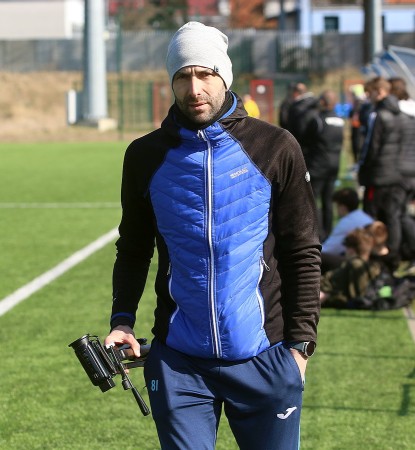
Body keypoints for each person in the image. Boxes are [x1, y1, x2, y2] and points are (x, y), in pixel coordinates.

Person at [104, 21, 321, 450]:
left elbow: (302, 250)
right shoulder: (145, 155)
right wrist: (122, 320)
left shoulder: (275, 146)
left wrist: (300, 347)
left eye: (205, 73)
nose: (194, 88)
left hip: (265, 357)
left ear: (224, 75)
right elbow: (133, 249)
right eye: (183, 76)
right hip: (179, 363)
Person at [358, 76, 405, 271]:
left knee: (371, 216)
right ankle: (393, 255)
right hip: (395, 172)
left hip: (377, 175)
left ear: (380, 92)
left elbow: (371, 146)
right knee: (392, 216)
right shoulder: (399, 113)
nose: (368, 97)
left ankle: (371, 256)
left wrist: (362, 169)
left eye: (370, 93)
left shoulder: (377, 115)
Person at [304, 89, 345, 241]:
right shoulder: (340, 120)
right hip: (334, 164)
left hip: (318, 165)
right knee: (328, 200)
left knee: (313, 199)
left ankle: (317, 232)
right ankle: (328, 232)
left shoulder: (318, 120)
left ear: (322, 102)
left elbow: (307, 141)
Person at [320, 227, 382, 308]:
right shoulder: (371, 265)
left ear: (351, 250)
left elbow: (356, 296)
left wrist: (330, 297)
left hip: (322, 290)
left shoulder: (355, 265)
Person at [389, 77, 415, 264]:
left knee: (396, 214)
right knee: (403, 212)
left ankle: (396, 255)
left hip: (400, 170)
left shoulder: (397, 114)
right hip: (413, 168)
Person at [321, 187, 374, 273]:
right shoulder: (366, 217)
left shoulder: (347, 222)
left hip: (354, 260)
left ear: (342, 207)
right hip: (368, 258)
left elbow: (331, 249)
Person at [285, 82, 319, 159]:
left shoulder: (295, 107)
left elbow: (291, 127)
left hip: (299, 145)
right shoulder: (316, 103)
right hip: (315, 147)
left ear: (296, 93)